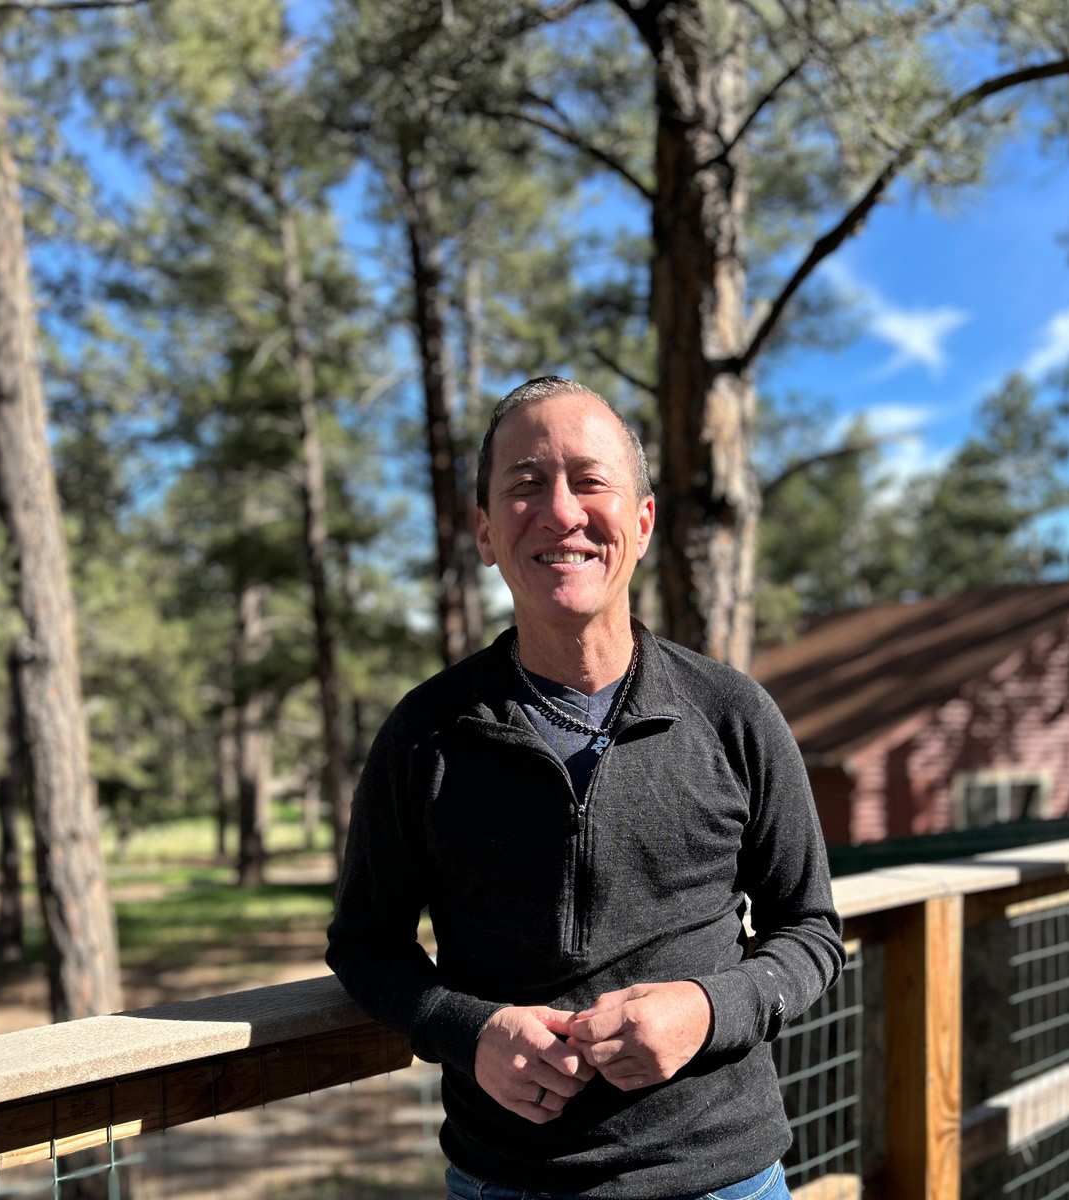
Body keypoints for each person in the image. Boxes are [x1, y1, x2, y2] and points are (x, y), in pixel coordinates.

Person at [326, 376, 844, 1199]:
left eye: (589, 481)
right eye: (526, 484)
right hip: (509, 1183)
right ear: (486, 533)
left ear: (640, 523)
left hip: (727, 1180)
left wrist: (706, 1011)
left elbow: (810, 932)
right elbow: (364, 944)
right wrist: (470, 1030)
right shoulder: (424, 736)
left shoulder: (732, 714)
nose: (561, 511)